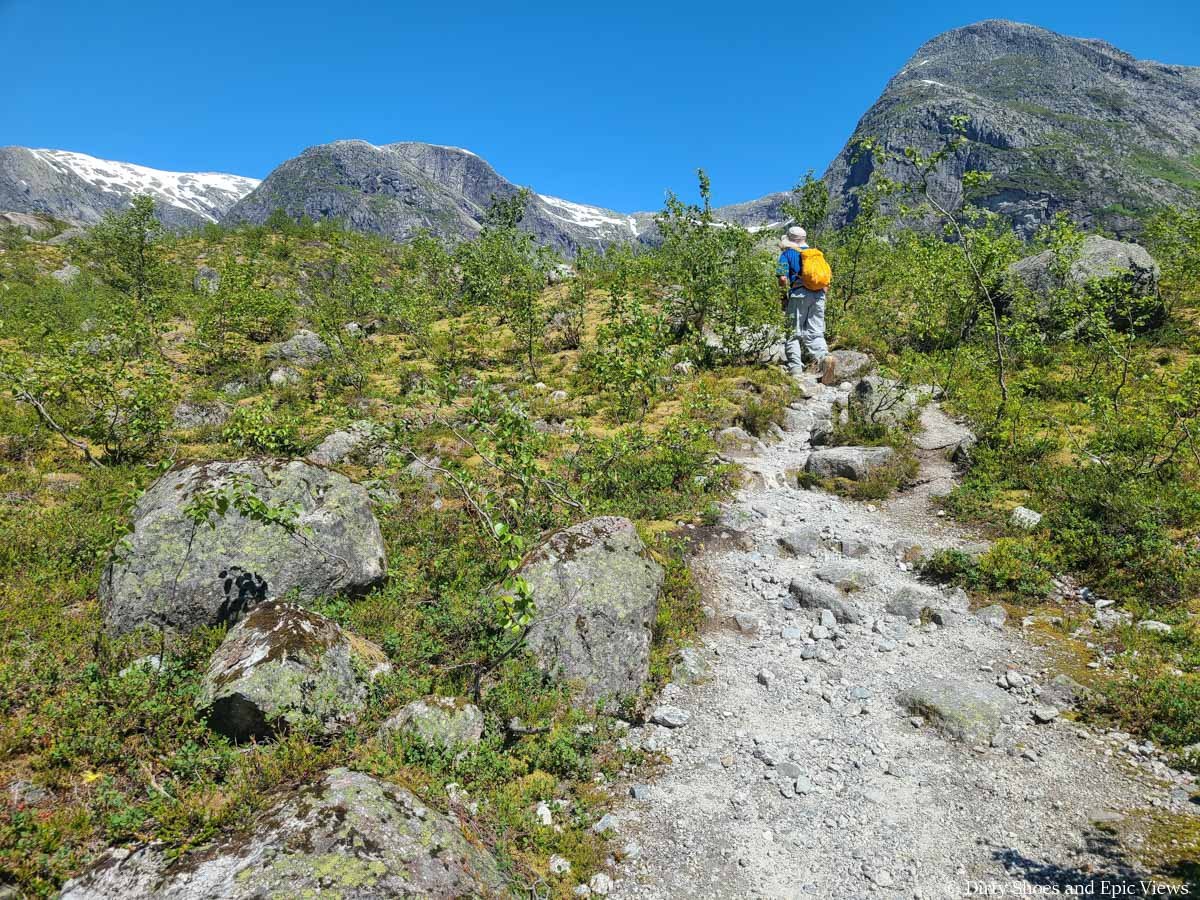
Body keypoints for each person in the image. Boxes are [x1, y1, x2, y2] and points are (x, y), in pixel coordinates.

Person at [776, 225, 829, 377]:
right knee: (816, 333)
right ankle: (825, 358)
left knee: (793, 333)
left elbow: (782, 277)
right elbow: (825, 280)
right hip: (818, 295)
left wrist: (783, 297)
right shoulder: (816, 254)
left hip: (798, 295)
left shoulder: (787, 254)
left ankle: (796, 370)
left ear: (790, 240)